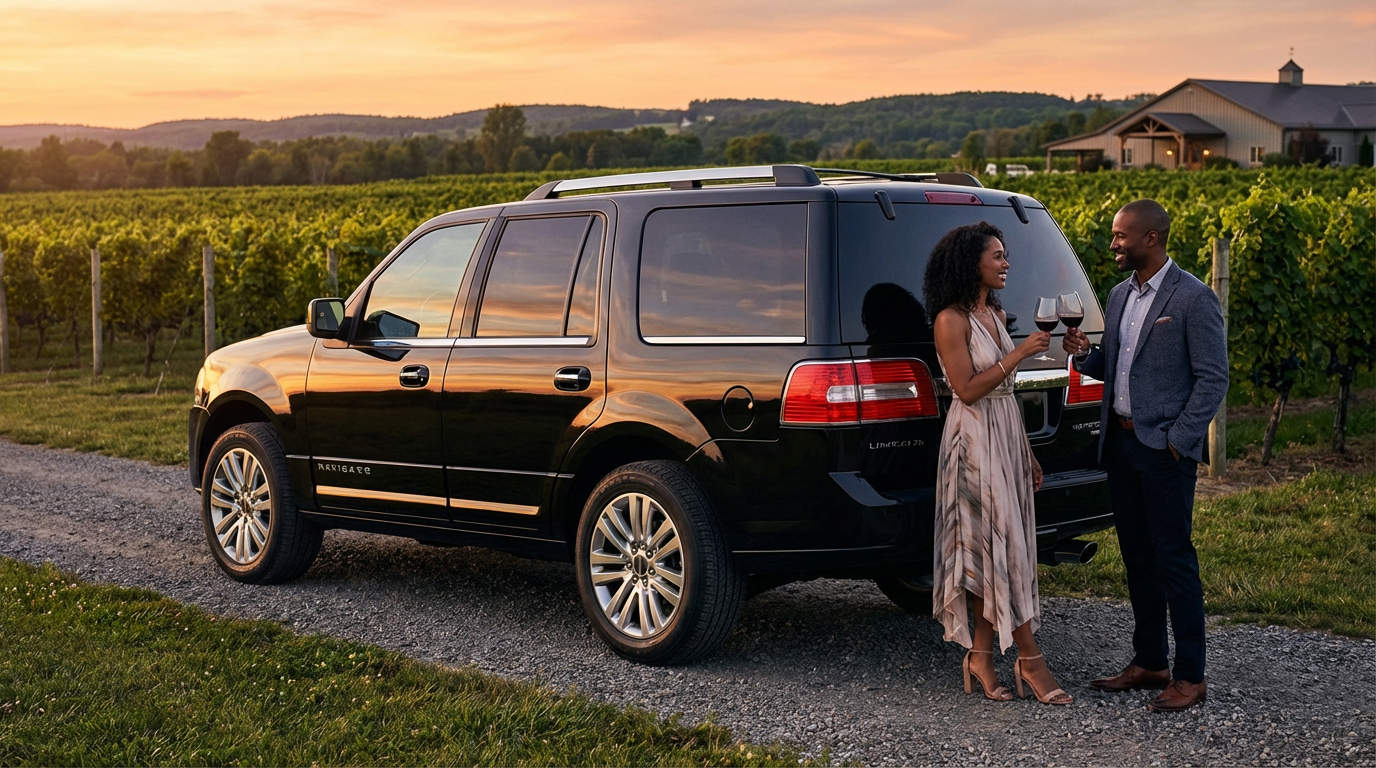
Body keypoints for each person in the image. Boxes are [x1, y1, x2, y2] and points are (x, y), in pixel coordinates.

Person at [1062, 199, 1227, 713]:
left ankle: (1191, 676)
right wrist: (1081, 355)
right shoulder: (1117, 296)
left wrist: (1179, 438)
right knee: (1137, 557)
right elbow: (1112, 365)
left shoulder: (1194, 297)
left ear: (1151, 238)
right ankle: (1151, 660)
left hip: (1163, 450)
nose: (1113, 243)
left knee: (1174, 559)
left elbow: (1213, 378)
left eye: (1120, 236)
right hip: (1121, 445)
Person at [926, 221, 1071, 705]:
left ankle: (981, 657)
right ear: (973, 264)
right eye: (997, 256)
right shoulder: (951, 319)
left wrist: (1026, 450)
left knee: (998, 548)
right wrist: (1022, 353)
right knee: (1001, 548)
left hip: (1005, 436)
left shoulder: (994, 313)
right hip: (973, 442)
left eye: (1006, 255)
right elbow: (966, 389)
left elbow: (1003, 393)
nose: (1006, 263)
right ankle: (1031, 660)